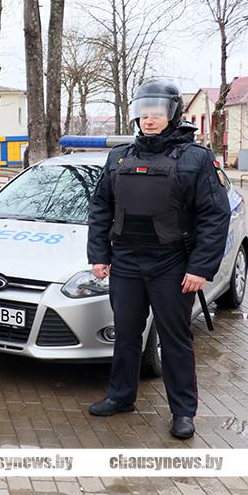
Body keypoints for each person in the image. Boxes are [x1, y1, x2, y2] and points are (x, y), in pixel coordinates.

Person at [87, 80, 230, 440]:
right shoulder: (119, 157)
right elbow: (101, 207)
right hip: (126, 261)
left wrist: (200, 267)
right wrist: (99, 255)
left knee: (175, 338)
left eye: (157, 113)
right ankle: (121, 396)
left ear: (173, 114)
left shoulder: (195, 158)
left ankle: (183, 412)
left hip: (171, 263)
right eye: (143, 112)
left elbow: (215, 216)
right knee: (126, 334)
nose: (149, 119)